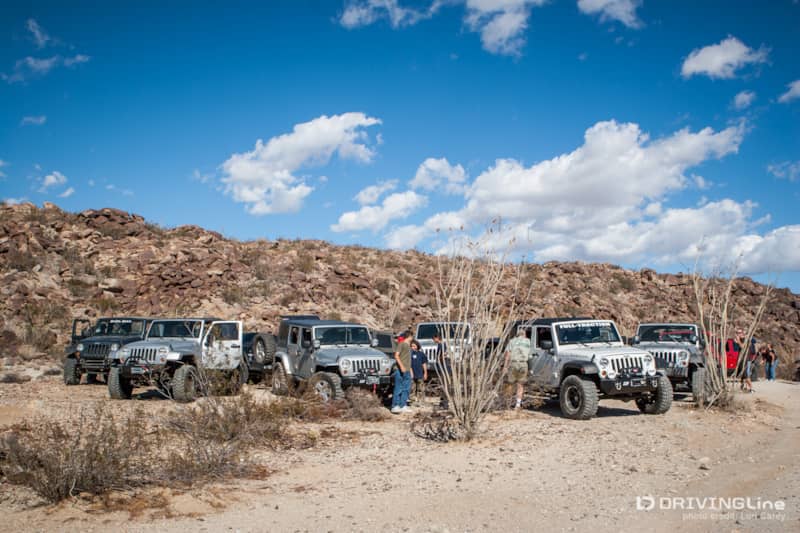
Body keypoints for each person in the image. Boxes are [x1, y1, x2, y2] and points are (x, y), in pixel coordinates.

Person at [505, 327, 531, 410]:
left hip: (513, 363)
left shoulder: (512, 341)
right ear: (524, 334)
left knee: (510, 383)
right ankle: (518, 405)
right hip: (523, 364)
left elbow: (507, 354)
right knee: (520, 385)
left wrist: (505, 366)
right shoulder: (528, 341)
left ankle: (508, 403)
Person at [391, 330, 413, 414]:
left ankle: (402, 405)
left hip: (407, 370)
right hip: (400, 370)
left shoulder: (408, 346)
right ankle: (395, 406)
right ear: (409, 336)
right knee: (398, 387)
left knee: (406, 388)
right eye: (412, 336)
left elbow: (408, 360)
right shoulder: (401, 344)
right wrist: (402, 366)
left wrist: (410, 370)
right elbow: (396, 356)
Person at [409, 340, 428, 404]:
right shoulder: (410, 354)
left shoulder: (421, 354)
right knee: (412, 388)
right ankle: (412, 400)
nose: (412, 347)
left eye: (414, 346)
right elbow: (409, 364)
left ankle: (420, 400)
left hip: (420, 373)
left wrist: (425, 372)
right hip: (412, 374)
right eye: (411, 346)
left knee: (420, 388)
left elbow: (424, 364)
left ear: (417, 346)